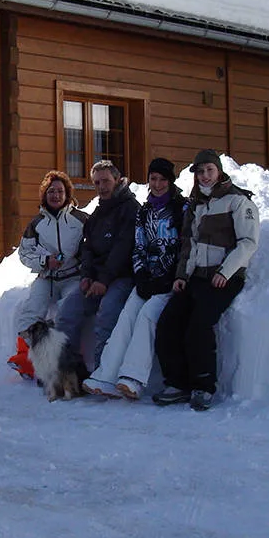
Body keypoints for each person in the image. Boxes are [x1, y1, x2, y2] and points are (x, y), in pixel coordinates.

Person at [152, 149, 259, 411]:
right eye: (200, 172)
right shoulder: (197, 204)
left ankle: (202, 387)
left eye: (209, 170)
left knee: (198, 327)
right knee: (167, 323)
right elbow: (189, 244)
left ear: (219, 171)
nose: (205, 176)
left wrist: (226, 271)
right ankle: (177, 385)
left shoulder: (237, 201)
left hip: (224, 277)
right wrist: (181, 276)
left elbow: (247, 242)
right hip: (196, 278)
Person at [83, 158, 186, 400]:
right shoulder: (145, 211)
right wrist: (141, 274)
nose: (158, 184)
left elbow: (184, 247)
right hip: (147, 279)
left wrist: (168, 276)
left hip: (169, 281)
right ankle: (105, 376)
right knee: (128, 315)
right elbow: (138, 246)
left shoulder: (181, 209)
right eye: (153, 179)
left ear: (170, 181)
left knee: (147, 315)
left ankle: (133, 378)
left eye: (162, 179)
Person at [53, 159, 138, 375]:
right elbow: (88, 248)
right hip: (98, 278)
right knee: (67, 310)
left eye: (106, 181)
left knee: (106, 316)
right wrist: (87, 276)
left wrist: (103, 280)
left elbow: (123, 248)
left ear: (118, 180)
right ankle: (69, 371)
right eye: (97, 183)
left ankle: (103, 373)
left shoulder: (130, 209)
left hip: (123, 277)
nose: (101, 187)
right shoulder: (98, 213)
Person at [8, 171, 87, 378]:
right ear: (44, 194)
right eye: (51, 191)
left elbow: (93, 247)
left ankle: (61, 364)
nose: (56, 195)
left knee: (66, 312)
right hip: (46, 278)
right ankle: (26, 360)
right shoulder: (36, 224)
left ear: (67, 193)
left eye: (60, 191)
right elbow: (24, 253)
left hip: (73, 277)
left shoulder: (81, 219)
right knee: (29, 314)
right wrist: (45, 261)